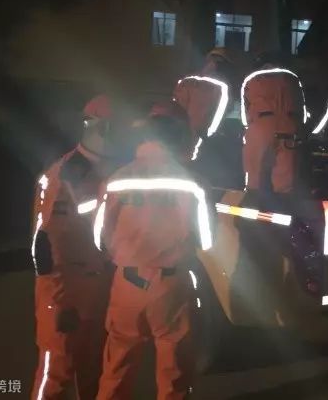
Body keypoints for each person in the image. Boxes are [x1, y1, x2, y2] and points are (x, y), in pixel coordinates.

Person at [94, 101, 211, 400]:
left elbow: (99, 237)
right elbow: (206, 240)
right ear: (179, 135)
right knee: (173, 374)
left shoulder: (117, 179)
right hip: (171, 285)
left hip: (126, 283)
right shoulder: (192, 183)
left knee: (117, 366)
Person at [31, 94, 123, 400]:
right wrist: (61, 303)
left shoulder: (113, 172)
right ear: (104, 128)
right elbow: (45, 248)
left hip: (100, 292)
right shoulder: (64, 174)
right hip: (67, 294)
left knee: (94, 372)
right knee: (56, 374)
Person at [240, 50, 307, 194]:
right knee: (285, 175)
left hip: (260, 127)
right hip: (289, 128)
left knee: (256, 174)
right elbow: (301, 108)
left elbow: (245, 112)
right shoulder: (293, 78)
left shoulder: (252, 78)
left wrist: (250, 127)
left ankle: (254, 198)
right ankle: (282, 199)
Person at [173, 48, 237, 161]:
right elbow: (221, 112)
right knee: (193, 159)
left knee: (177, 157)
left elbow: (174, 103)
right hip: (201, 133)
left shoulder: (186, 79)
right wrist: (211, 134)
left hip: (178, 130)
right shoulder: (222, 85)